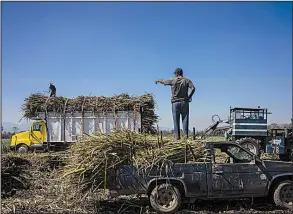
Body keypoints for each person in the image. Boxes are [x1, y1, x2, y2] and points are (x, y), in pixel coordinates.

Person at [155, 68, 195, 140]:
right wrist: (189, 97)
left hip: (175, 103)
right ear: (182, 73)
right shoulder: (187, 80)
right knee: (185, 119)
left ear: (176, 74)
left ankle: (177, 138)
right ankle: (185, 137)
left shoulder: (172, 80)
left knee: (176, 121)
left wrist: (158, 80)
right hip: (184, 102)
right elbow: (193, 88)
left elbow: (163, 81)